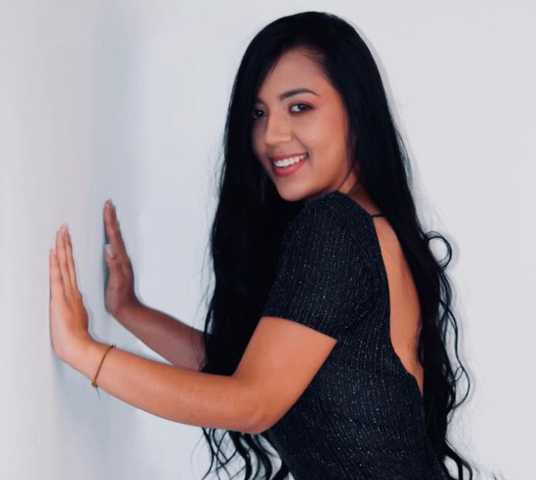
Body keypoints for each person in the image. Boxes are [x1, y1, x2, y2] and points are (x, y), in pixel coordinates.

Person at [49, 10, 497, 480]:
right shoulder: (370, 225)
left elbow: (251, 403)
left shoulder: (338, 227)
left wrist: (85, 353)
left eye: (299, 107)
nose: (271, 136)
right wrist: (130, 311)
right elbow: (245, 376)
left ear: (356, 110)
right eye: (258, 113)